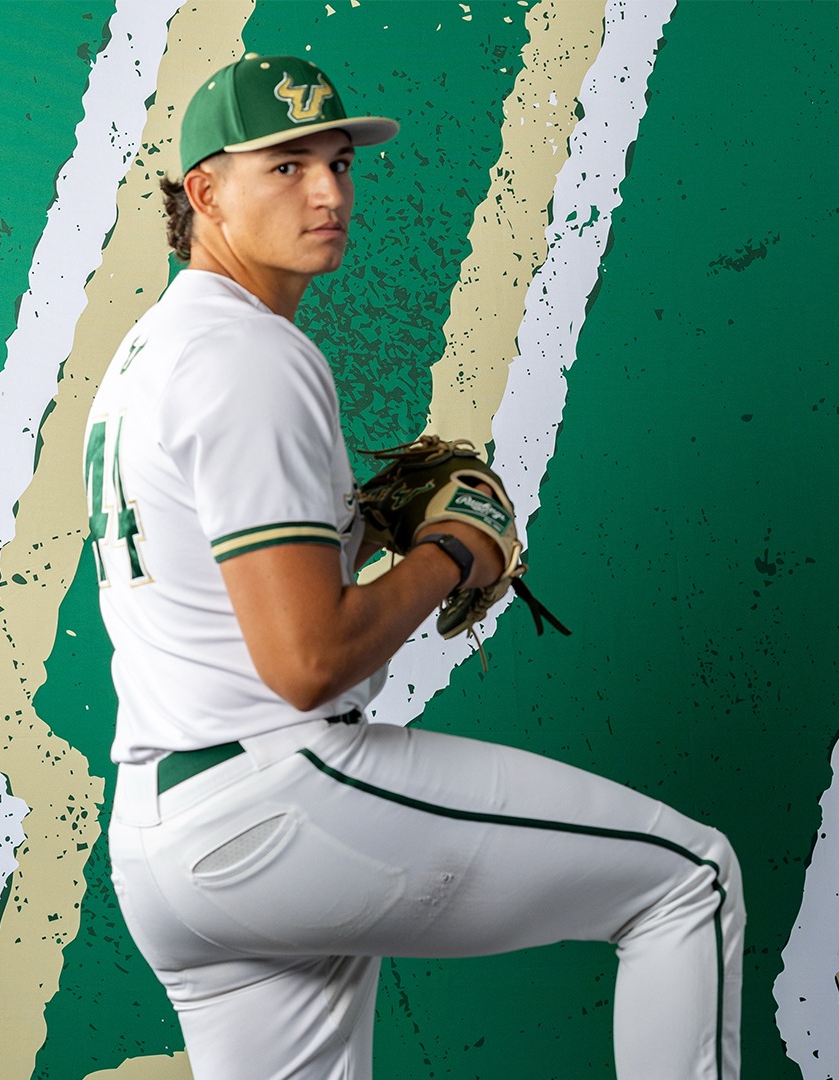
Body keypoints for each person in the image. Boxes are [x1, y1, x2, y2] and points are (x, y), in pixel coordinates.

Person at [82, 53, 742, 1080]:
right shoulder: (253, 356)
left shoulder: (151, 353)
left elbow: (225, 586)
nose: (330, 191)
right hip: (281, 796)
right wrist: (450, 551)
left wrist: (358, 529)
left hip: (165, 839)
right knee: (686, 880)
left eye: (340, 164)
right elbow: (306, 661)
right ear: (204, 193)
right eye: (288, 165)